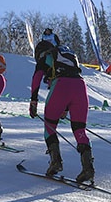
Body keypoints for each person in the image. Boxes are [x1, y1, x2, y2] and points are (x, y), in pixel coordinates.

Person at [29, 29, 95, 183]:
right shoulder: (67, 54)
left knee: (49, 127)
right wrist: (65, 109)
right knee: (80, 130)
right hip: (80, 87)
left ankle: (55, 162)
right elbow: (72, 75)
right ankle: (88, 169)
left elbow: (37, 77)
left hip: (61, 85)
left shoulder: (45, 55)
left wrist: (33, 101)